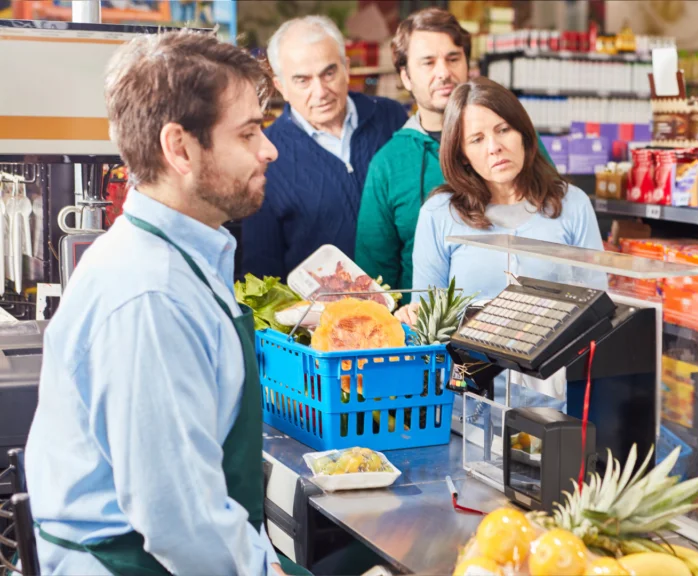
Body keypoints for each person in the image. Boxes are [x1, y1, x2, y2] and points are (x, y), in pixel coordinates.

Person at [23, 31, 298, 575]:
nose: (270, 149)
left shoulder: (182, 257)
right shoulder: (150, 297)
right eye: (248, 133)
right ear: (180, 148)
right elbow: (183, 524)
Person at [409, 77, 603, 409]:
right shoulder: (439, 213)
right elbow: (429, 324)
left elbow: (598, 308)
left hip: (554, 399)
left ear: (525, 136)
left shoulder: (572, 204)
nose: (494, 147)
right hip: (468, 397)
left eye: (503, 130)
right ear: (462, 154)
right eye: (477, 139)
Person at [355, 8, 553, 290]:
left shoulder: (514, 138)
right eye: (428, 62)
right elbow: (375, 278)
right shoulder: (388, 165)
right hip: (427, 328)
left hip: (526, 317)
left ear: (468, 65)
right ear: (406, 76)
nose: (444, 73)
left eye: (453, 58)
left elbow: (557, 213)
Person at [242, 15, 408, 279]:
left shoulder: (392, 118)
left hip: (407, 305)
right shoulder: (264, 156)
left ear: (347, 68)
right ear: (280, 87)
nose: (320, 92)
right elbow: (262, 273)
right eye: (302, 80)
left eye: (329, 73)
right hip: (321, 317)